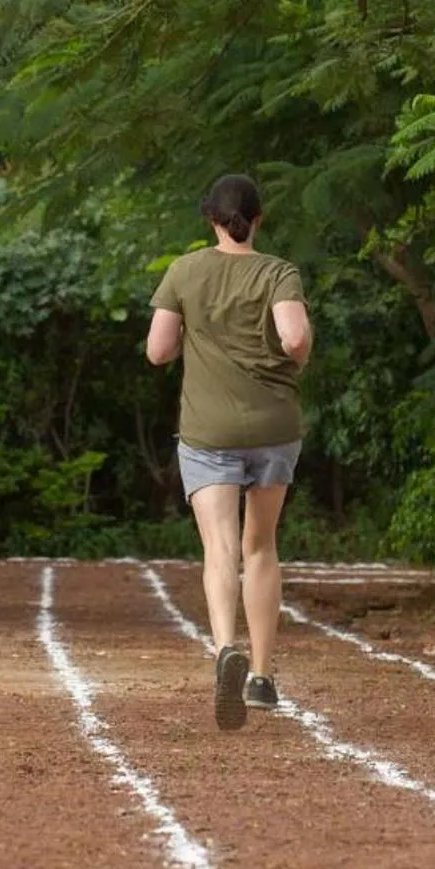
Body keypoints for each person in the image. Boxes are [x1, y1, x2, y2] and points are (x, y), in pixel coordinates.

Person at [146, 174, 313, 730]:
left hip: (208, 430)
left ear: (209, 218)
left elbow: (157, 351)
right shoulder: (278, 272)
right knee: (260, 547)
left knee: (220, 549)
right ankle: (262, 676)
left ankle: (225, 651)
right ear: (258, 219)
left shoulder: (184, 271)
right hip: (274, 424)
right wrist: (300, 355)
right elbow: (293, 338)